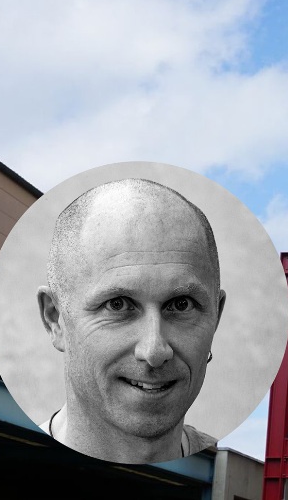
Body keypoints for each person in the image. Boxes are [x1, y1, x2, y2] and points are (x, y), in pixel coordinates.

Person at [36, 178, 226, 463]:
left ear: (216, 316)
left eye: (181, 304)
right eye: (118, 305)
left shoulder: (234, 478)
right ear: (55, 319)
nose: (154, 351)